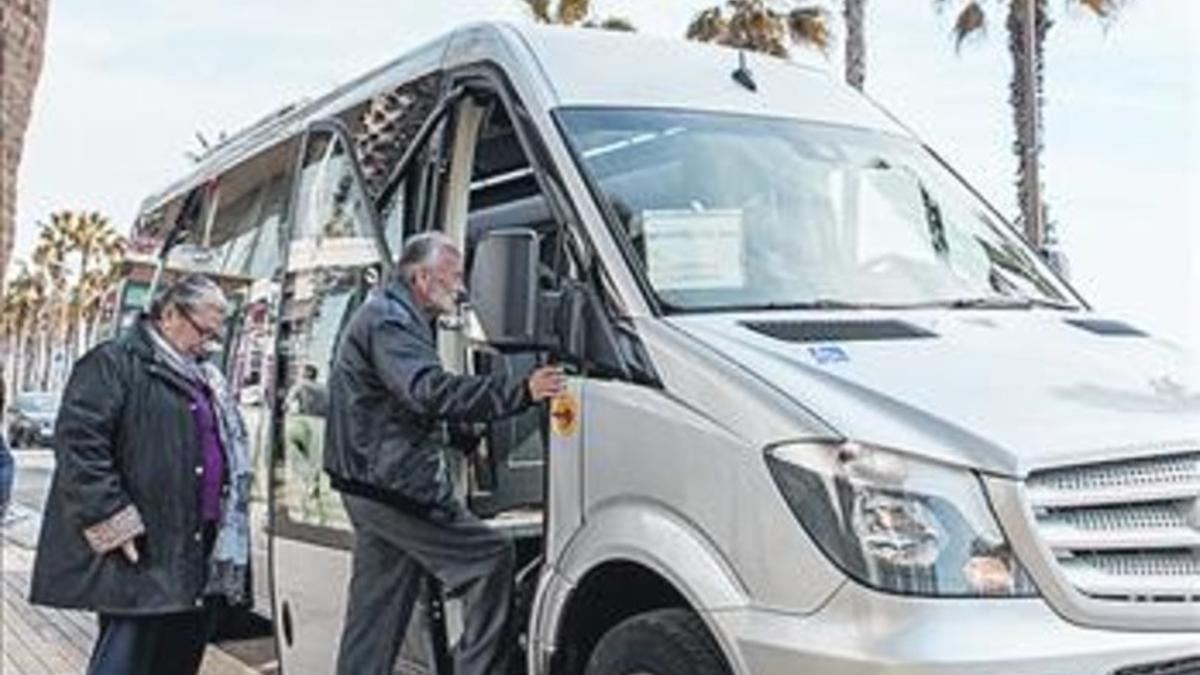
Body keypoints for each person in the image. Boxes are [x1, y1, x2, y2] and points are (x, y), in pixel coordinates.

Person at [325, 231, 566, 675]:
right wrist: (520, 391)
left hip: (370, 483)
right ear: (421, 277)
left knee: (376, 614)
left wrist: (459, 437)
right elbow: (425, 390)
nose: (460, 288)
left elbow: (393, 403)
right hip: (392, 486)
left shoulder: (391, 312)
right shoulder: (390, 321)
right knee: (489, 559)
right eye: (453, 277)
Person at [30, 274, 253, 675]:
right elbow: (79, 447)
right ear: (169, 315)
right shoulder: (113, 362)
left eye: (216, 336)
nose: (209, 344)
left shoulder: (205, 377)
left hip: (196, 544)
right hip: (142, 547)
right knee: (129, 656)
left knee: (177, 656)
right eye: (204, 331)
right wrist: (113, 519)